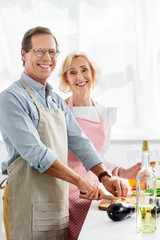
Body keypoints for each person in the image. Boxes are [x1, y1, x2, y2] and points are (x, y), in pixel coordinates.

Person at [0, 27, 128, 240]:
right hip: (27, 201)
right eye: (39, 51)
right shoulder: (11, 99)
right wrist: (80, 181)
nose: (47, 58)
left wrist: (104, 176)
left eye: (52, 52)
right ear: (23, 54)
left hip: (57, 204)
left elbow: (80, 141)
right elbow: (36, 153)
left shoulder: (56, 100)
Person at [59, 52, 141, 240]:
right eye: (72, 72)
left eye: (84, 70)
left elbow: (98, 156)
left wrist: (123, 172)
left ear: (93, 75)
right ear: (66, 80)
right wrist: (80, 183)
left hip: (97, 186)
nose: (79, 77)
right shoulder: (60, 111)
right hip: (69, 188)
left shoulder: (105, 113)